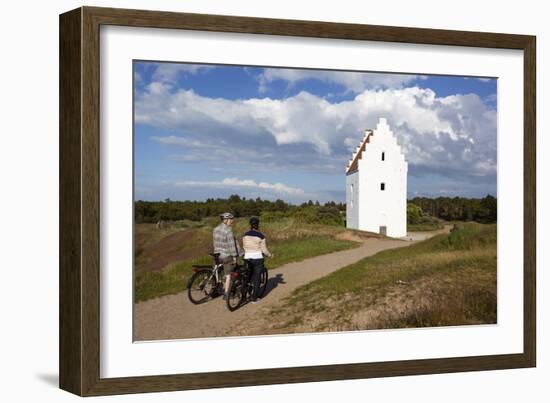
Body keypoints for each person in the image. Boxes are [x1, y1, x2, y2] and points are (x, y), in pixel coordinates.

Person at [242, 216, 273, 303]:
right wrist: (270, 255)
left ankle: (243, 296)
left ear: (250, 225)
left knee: (246, 277)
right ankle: (254, 298)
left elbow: (244, 246)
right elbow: (264, 250)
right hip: (257, 258)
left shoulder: (245, 235)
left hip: (247, 258)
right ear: (258, 225)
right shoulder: (261, 236)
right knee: (257, 279)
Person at [213, 212, 243, 299]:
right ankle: (226, 294)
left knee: (220, 271)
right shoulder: (228, 230)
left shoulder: (215, 229)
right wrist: (234, 256)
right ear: (225, 220)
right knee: (228, 274)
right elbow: (231, 245)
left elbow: (215, 242)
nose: (232, 221)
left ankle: (219, 287)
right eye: (231, 219)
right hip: (226, 255)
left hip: (217, 254)